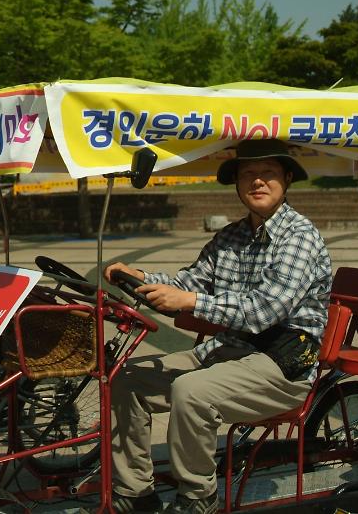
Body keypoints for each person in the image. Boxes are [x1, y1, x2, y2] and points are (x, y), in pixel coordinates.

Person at [104, 139, 332, 514]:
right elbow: (191, 281)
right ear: (238, 184)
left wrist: (190, 303)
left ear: (287, 179)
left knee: (191, 390)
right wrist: (139, 275)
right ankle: (135, 494)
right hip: (228, 352)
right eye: (248, 174)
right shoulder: (230, 236)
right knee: (125, 380)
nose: (257, 182)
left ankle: (198, 498)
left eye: (268, 174)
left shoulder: (299, 237)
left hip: (282, 363)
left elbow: (264, 310)